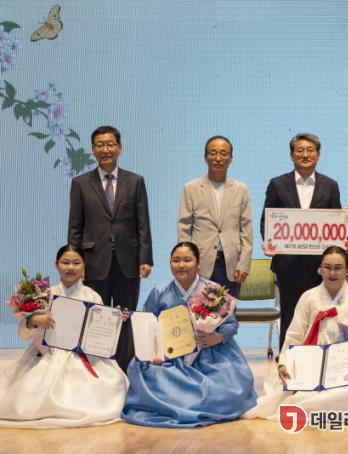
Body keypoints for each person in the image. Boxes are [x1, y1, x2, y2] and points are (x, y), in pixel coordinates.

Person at [245, 246, 348, 420]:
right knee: (304, 396)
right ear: (320, 269)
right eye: (327, 267)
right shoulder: (308, 297)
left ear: (347, 270)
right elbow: (294, 334)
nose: (332, 273)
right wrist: (284, 362)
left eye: (338, 268)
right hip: (315, 354)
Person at [121, 242, 257, 428]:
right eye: (176, 260)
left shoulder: (212, 290)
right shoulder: (160, 291)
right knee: (148, 373)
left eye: (187, 260)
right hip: (171, 355)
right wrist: (155, 352)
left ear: (198, 263)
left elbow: (231, 324)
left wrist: (218, 337)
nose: (181, 265)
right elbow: (148, 323)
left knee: (230, 391)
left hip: (209, 352)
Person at [0, 245, 128, 428]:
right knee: (28, 390)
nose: (70, 267)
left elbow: (98, 338)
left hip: (82, 356)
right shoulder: (44, 295)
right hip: (46, 354)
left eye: (76, 263)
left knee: (113, 383)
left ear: (84, 266)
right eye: (65, 262)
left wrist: (113, 320)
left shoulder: (93, 296)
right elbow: (22, 334)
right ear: (56, 264)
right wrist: (33, 320)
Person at [68, 125, 153, 371]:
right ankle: (99, 369)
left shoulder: (135, 181)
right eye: (100, 145)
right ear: (93, 150)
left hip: (129, 261)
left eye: (110, 144)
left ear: (120, 148)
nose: (105, 149)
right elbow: (75, 227)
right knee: (97, 317)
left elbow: (143, 223)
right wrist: (76, 263)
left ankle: (126, 370)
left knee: (126, 316)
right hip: (94, 261)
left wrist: (145, 258)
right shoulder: (80, 183)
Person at [260, 133, 341, 354]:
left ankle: (319, 359)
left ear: (318, 155)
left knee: (321, 315)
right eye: (300, 150)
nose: (305, 155)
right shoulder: (277, 184)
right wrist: (270, 242)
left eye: (310, 150)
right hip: (288, 264)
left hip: (321, 267)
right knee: (290, 315)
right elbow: (266, 221)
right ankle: (287, 362)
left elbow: (337, 221)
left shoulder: (330, 185)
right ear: (291, 155)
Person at [178, 135, 252, 297]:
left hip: (231, 266)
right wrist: (186, 262)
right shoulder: (191, 188)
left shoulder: (241, 189)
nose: (218, 158)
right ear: (205, 157)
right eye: (213, 153)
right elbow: (184, 228)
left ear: (231, 158)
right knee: (197, 311)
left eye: (223, 154)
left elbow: (246, 230)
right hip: (200, 264)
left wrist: (244, 264)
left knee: (227, 312)